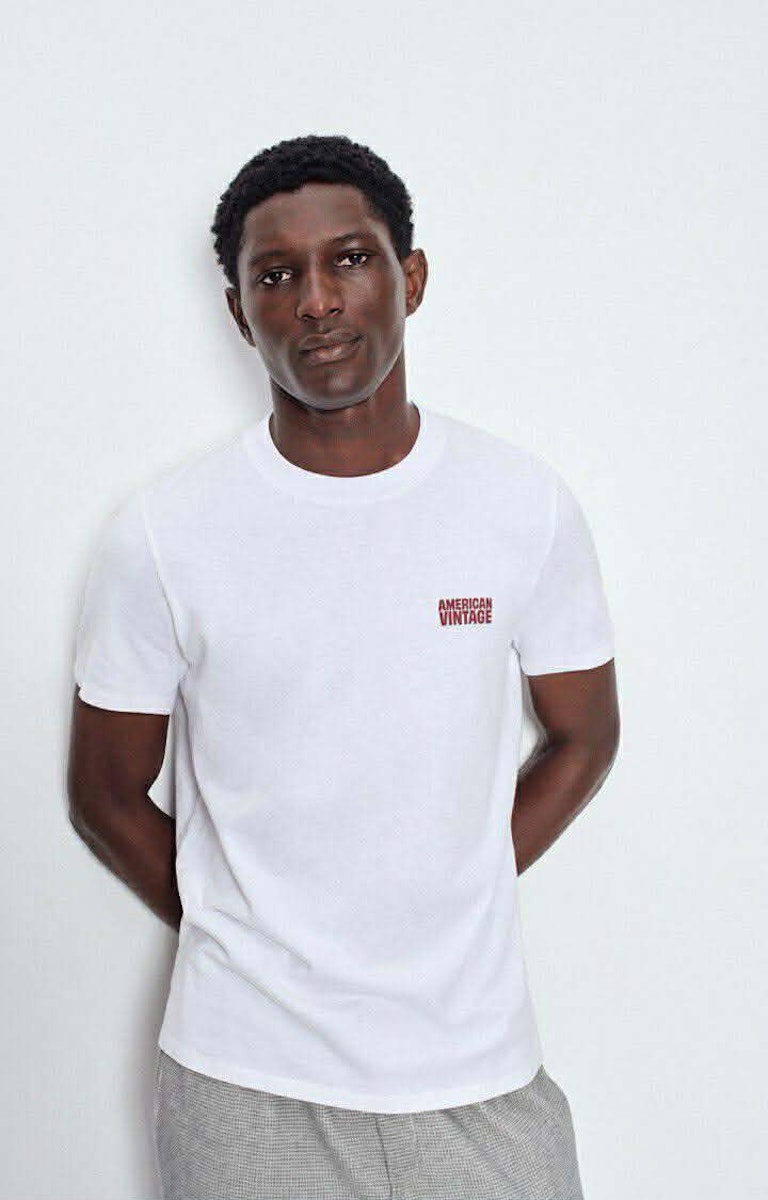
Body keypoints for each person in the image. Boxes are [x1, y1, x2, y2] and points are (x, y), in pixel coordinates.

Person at [67, 133, 620, 1200]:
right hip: (245, 1082)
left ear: (411, 277)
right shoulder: (165, 535)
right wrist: (247, 928)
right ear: (241, 313)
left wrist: (454, 881)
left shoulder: (523, 507)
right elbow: (103, 792)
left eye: (350, 260)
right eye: (276, 276)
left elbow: (585, 737)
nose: (316, 300)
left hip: (476, 1071)